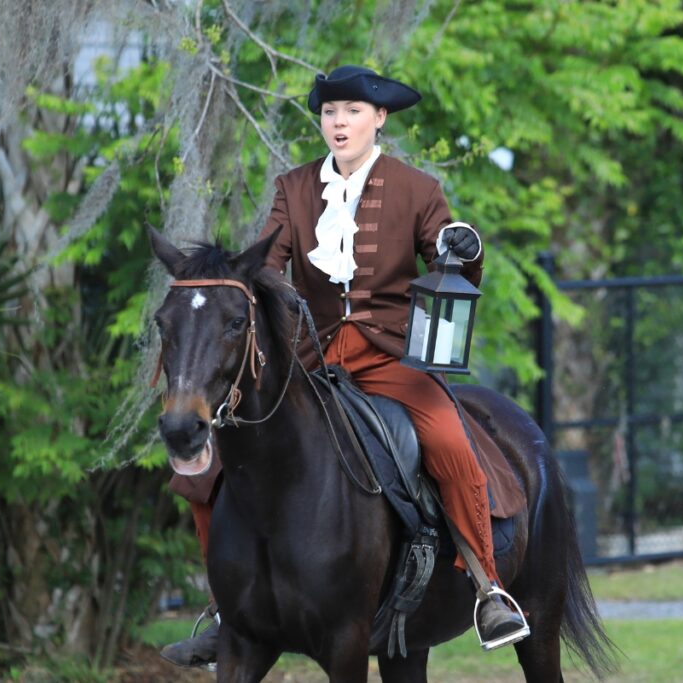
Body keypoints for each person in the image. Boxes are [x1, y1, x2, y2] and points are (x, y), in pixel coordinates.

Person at [161, 65, 528, 668]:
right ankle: (226, 610)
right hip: (310, 361)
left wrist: (464, 248)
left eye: (352, 112)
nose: (339, 123)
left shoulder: (418, 188)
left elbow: (449, 255)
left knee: (448, 441)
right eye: (330, 112)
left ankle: (488, 588)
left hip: (393, 359)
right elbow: (268, 264)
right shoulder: (293, 188)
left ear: (378, 118)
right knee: (206, 469)